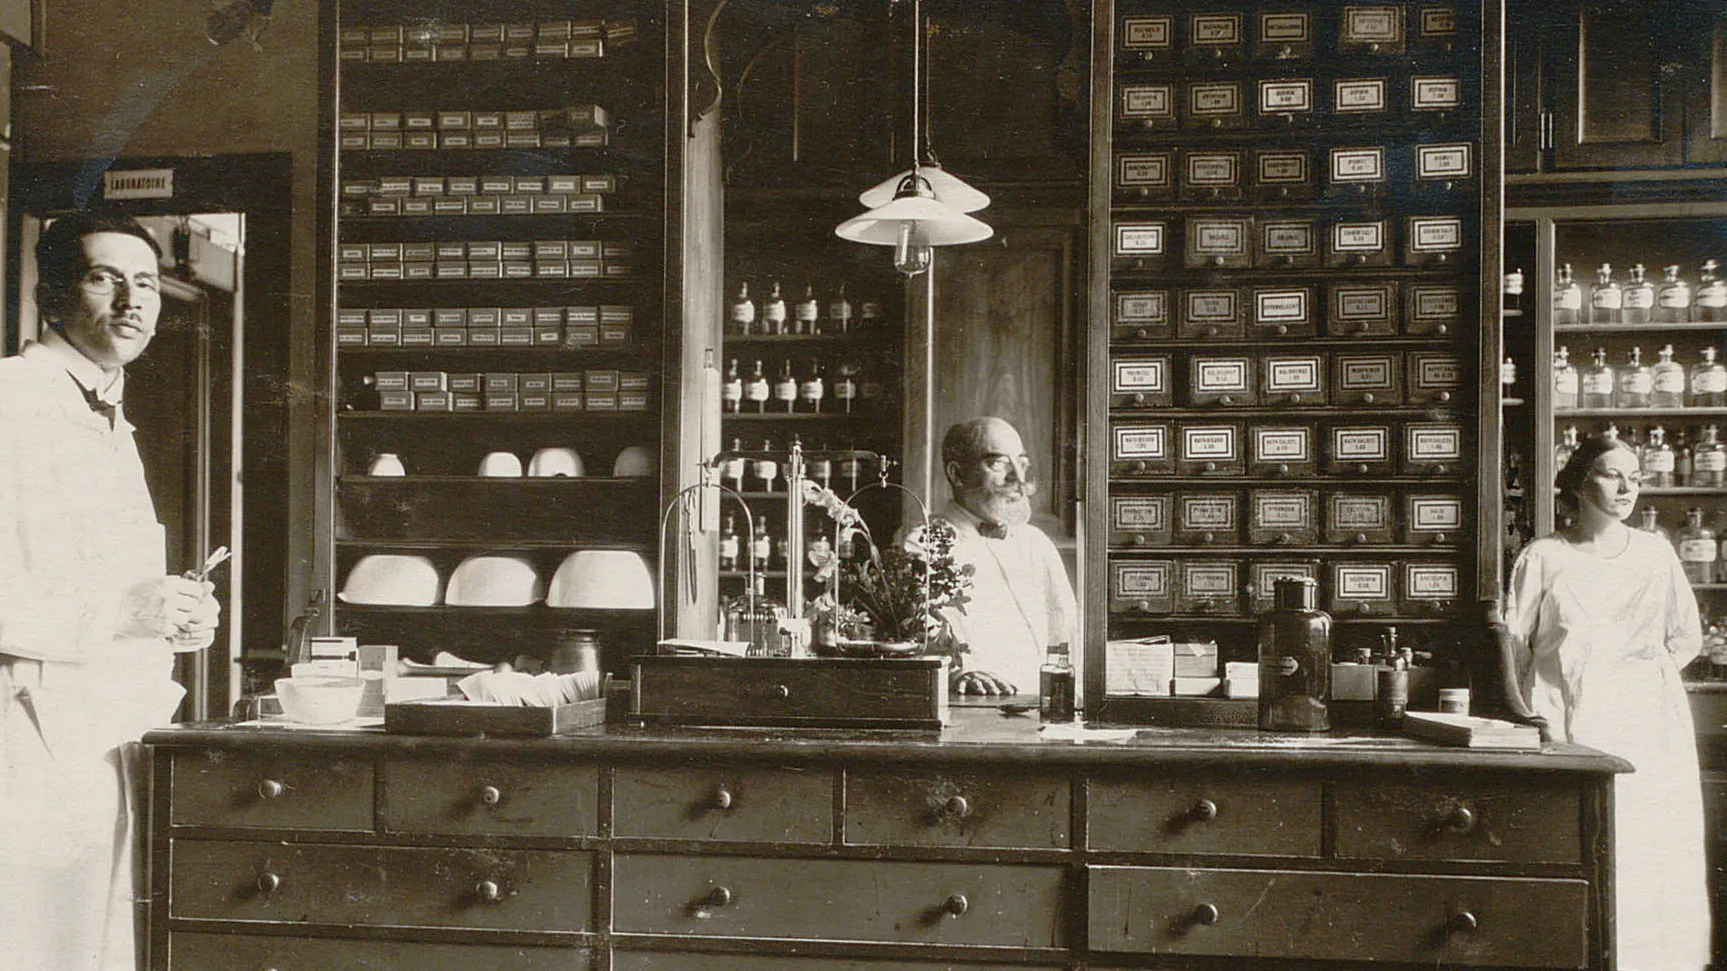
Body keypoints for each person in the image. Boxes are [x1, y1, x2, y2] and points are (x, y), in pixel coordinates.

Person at [0, 211, 220, 971]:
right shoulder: (11, 400)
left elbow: (96, 579)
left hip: (101, 732)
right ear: (54, 293)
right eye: (105, 277)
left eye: (147, 282)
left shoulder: (106, 411)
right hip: (24, 733)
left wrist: (174, 614)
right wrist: (120, 612)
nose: (133, 299)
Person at [1503, 434, 1710, 970]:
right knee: (1588, 848)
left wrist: (1642, 682)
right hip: (1569, 722)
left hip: (1650, 725)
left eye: (1635, 477)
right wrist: (1540, 715)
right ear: (1576, 482)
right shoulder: (1544, 557)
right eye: (1611, 474)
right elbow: (1514, 648)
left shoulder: (1655, 553)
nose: (1626, 487)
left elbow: (1686, 638)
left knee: (1653, 848)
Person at [929, 416, 1078, 695]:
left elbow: (1067, 634)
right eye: (999, 464)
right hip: (973, 718)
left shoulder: (1036, 543)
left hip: (1044, 715)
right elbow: (918, 649)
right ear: (957, 474)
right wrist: (956, 673)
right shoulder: (924, 548)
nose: (1018, 479)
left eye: (1021, 464)